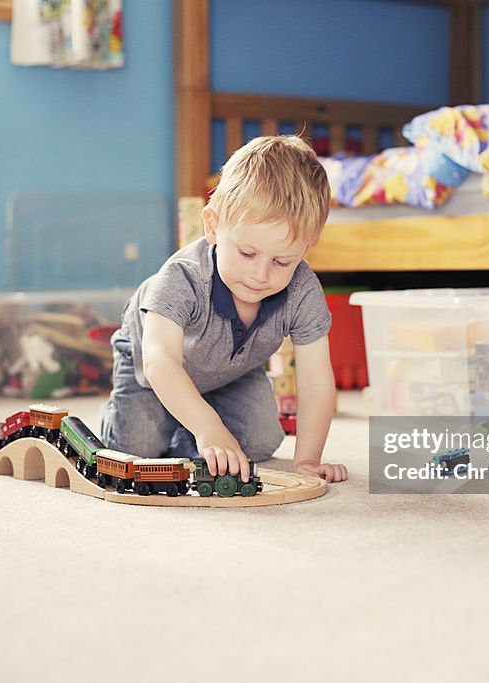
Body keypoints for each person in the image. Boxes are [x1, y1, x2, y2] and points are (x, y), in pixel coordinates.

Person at [98, 135, 348, 483]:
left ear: (308, 246)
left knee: (258, 443)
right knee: (136, 448)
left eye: (282, 261)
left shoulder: (302, 290)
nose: (261, 275)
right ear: (213, 226)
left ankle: (191, 430)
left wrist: (306, 461)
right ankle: (178, 422)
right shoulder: (183, 278)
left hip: (232, 371)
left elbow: (317, 382)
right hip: (155, 367)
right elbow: (161, 362)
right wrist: (209, 428)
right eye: (247, 254)